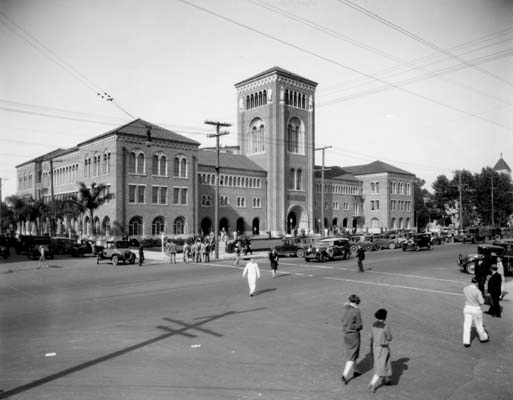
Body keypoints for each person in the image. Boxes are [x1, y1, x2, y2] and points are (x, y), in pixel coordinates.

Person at [368, 308, 393, 393]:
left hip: (375, 347)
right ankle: (372, 384)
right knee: (381, 367)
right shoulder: (385, 327)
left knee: (384, 364)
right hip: (383, 349)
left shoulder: (373, 325)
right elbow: (389, 338)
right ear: (385, 317)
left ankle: (387, 379)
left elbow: (370, 336)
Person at [341, 294, 363, 385]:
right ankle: (345, 375)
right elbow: (359, 325)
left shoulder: (345, 308)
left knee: (352, 353)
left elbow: (342, 319)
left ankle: (356, 370)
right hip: (354, 335)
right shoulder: (356, 311)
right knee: (352, 355)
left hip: (346, 334)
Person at [463, 277, 489, 347]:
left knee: (467, 325)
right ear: (477, 283)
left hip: (467, 308)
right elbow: (482, 302)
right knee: (479, 325)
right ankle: (483, 338)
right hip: (476, 309)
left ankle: (466, 341)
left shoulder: (465, 289)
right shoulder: (478, 291)